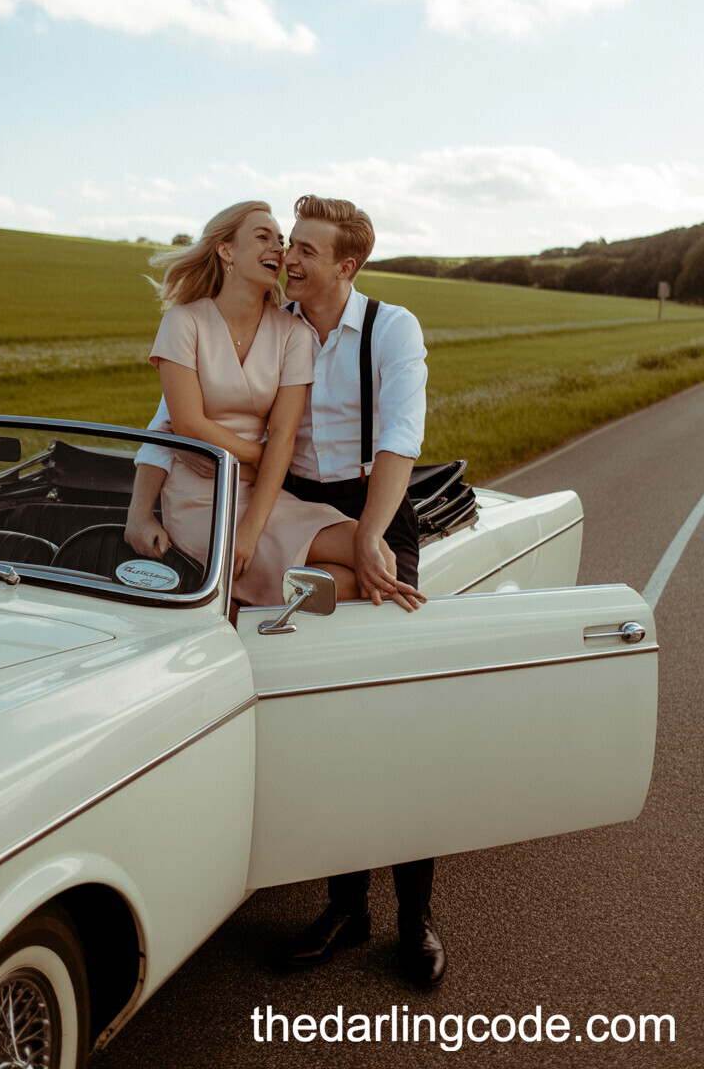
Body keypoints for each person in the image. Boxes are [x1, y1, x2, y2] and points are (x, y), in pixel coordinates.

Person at [127, 194, 444, 986]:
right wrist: (145, 502)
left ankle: (416, 916)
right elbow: (173, 412)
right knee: (324, 716)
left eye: (305, 248)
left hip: (370, 508)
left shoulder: (390, 329)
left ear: (347, 264)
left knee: (396, 720)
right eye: (286, 244)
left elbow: (400, 440)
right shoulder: (286, 325)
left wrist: (372, 532)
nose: (290, 258)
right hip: (287, 501)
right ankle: (344, 906)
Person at [129, 200, 391, 607]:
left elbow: (285, 435)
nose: (279, 250)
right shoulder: (183, 322)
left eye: (280, 240)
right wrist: (141, 513)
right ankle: (240, 610)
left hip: (262, 494)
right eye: (262, 237)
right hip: (199, 499)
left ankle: (242, 604)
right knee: (335, 584)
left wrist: (250, 526)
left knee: (376, 559)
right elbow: (183, 424)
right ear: (226, 250)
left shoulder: (293, 334)